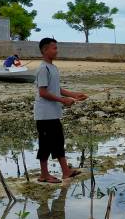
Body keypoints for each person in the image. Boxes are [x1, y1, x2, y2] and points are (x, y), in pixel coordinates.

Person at [34, 37, 87, 183]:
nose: (57, 51)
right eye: (54, 48)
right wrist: (63, 100)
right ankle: (44, 175)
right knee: (45, 145)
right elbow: (43, 92)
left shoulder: (53, 67)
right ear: (45, 50)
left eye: (56, 48)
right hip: (44, 115)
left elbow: (56, 89)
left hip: (53, 114)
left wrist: (74, 95)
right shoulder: (43, 68)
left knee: (58, 142)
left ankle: (65, 172)